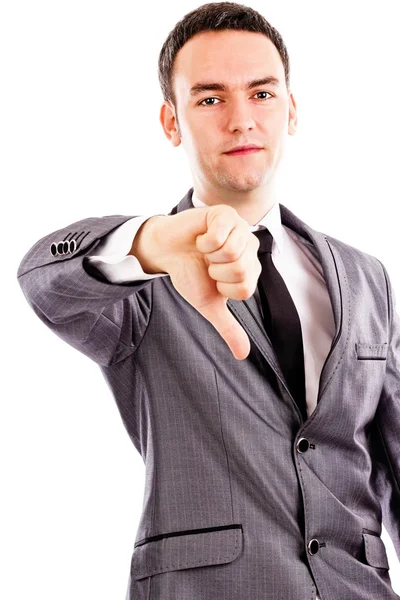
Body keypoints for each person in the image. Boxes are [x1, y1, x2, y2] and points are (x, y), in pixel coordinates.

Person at [16, 2, 400, 599]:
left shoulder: (365, 276)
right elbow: (44, 278)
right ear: (171, 122)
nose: (242, 120)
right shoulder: (139, 280)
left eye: (263, 94)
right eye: (211, 98)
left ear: (292, 110)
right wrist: (150, 242)